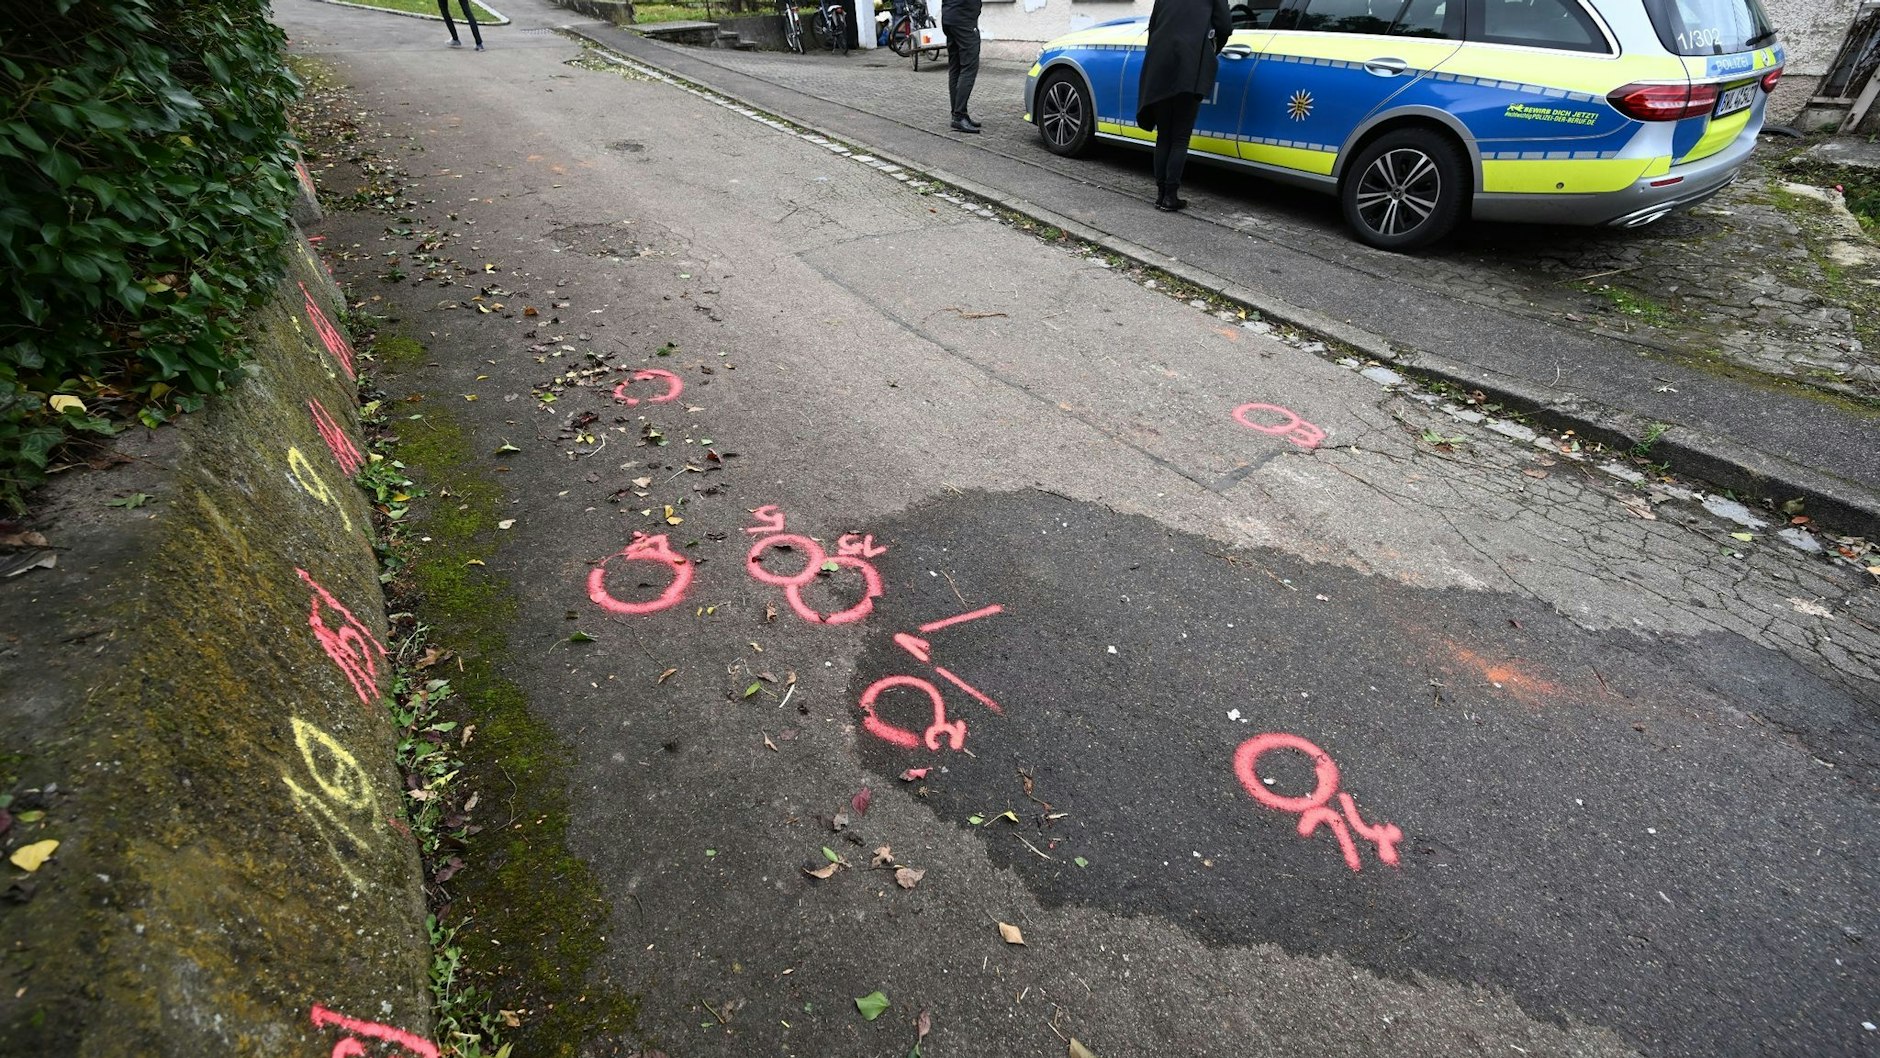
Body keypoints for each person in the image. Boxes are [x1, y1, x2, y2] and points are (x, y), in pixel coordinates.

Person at [1136, 0, 1230, 210]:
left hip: (1159, 64)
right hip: (1190, 63)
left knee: (1164, 134)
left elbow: (1153, 27)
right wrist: (1211, 49)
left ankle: (1160, 195)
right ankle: (1171, 196)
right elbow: (1225, 26)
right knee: (1180, 137)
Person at [941, 0, 982, 133]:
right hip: (963, 19)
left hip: (949, 18)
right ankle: (959, 116)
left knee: (956, 68)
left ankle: (958, 114)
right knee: (969, 68)